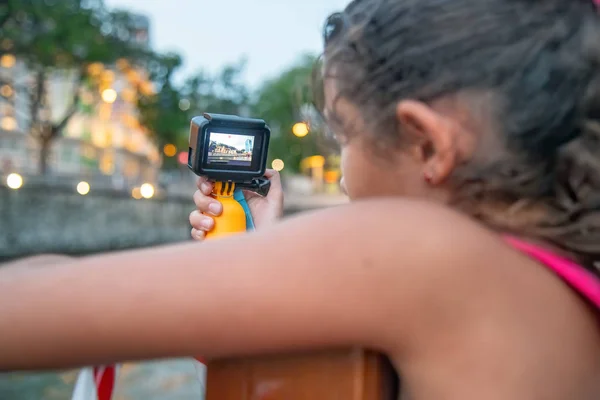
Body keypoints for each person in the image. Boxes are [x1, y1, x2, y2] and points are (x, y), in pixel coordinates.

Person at [2, 0, 600, 398]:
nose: (341, 176)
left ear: (427, 145)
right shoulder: (551, 285)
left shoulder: (428, 257)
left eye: (344, 136)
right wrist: (265, 250)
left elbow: (29, 307)